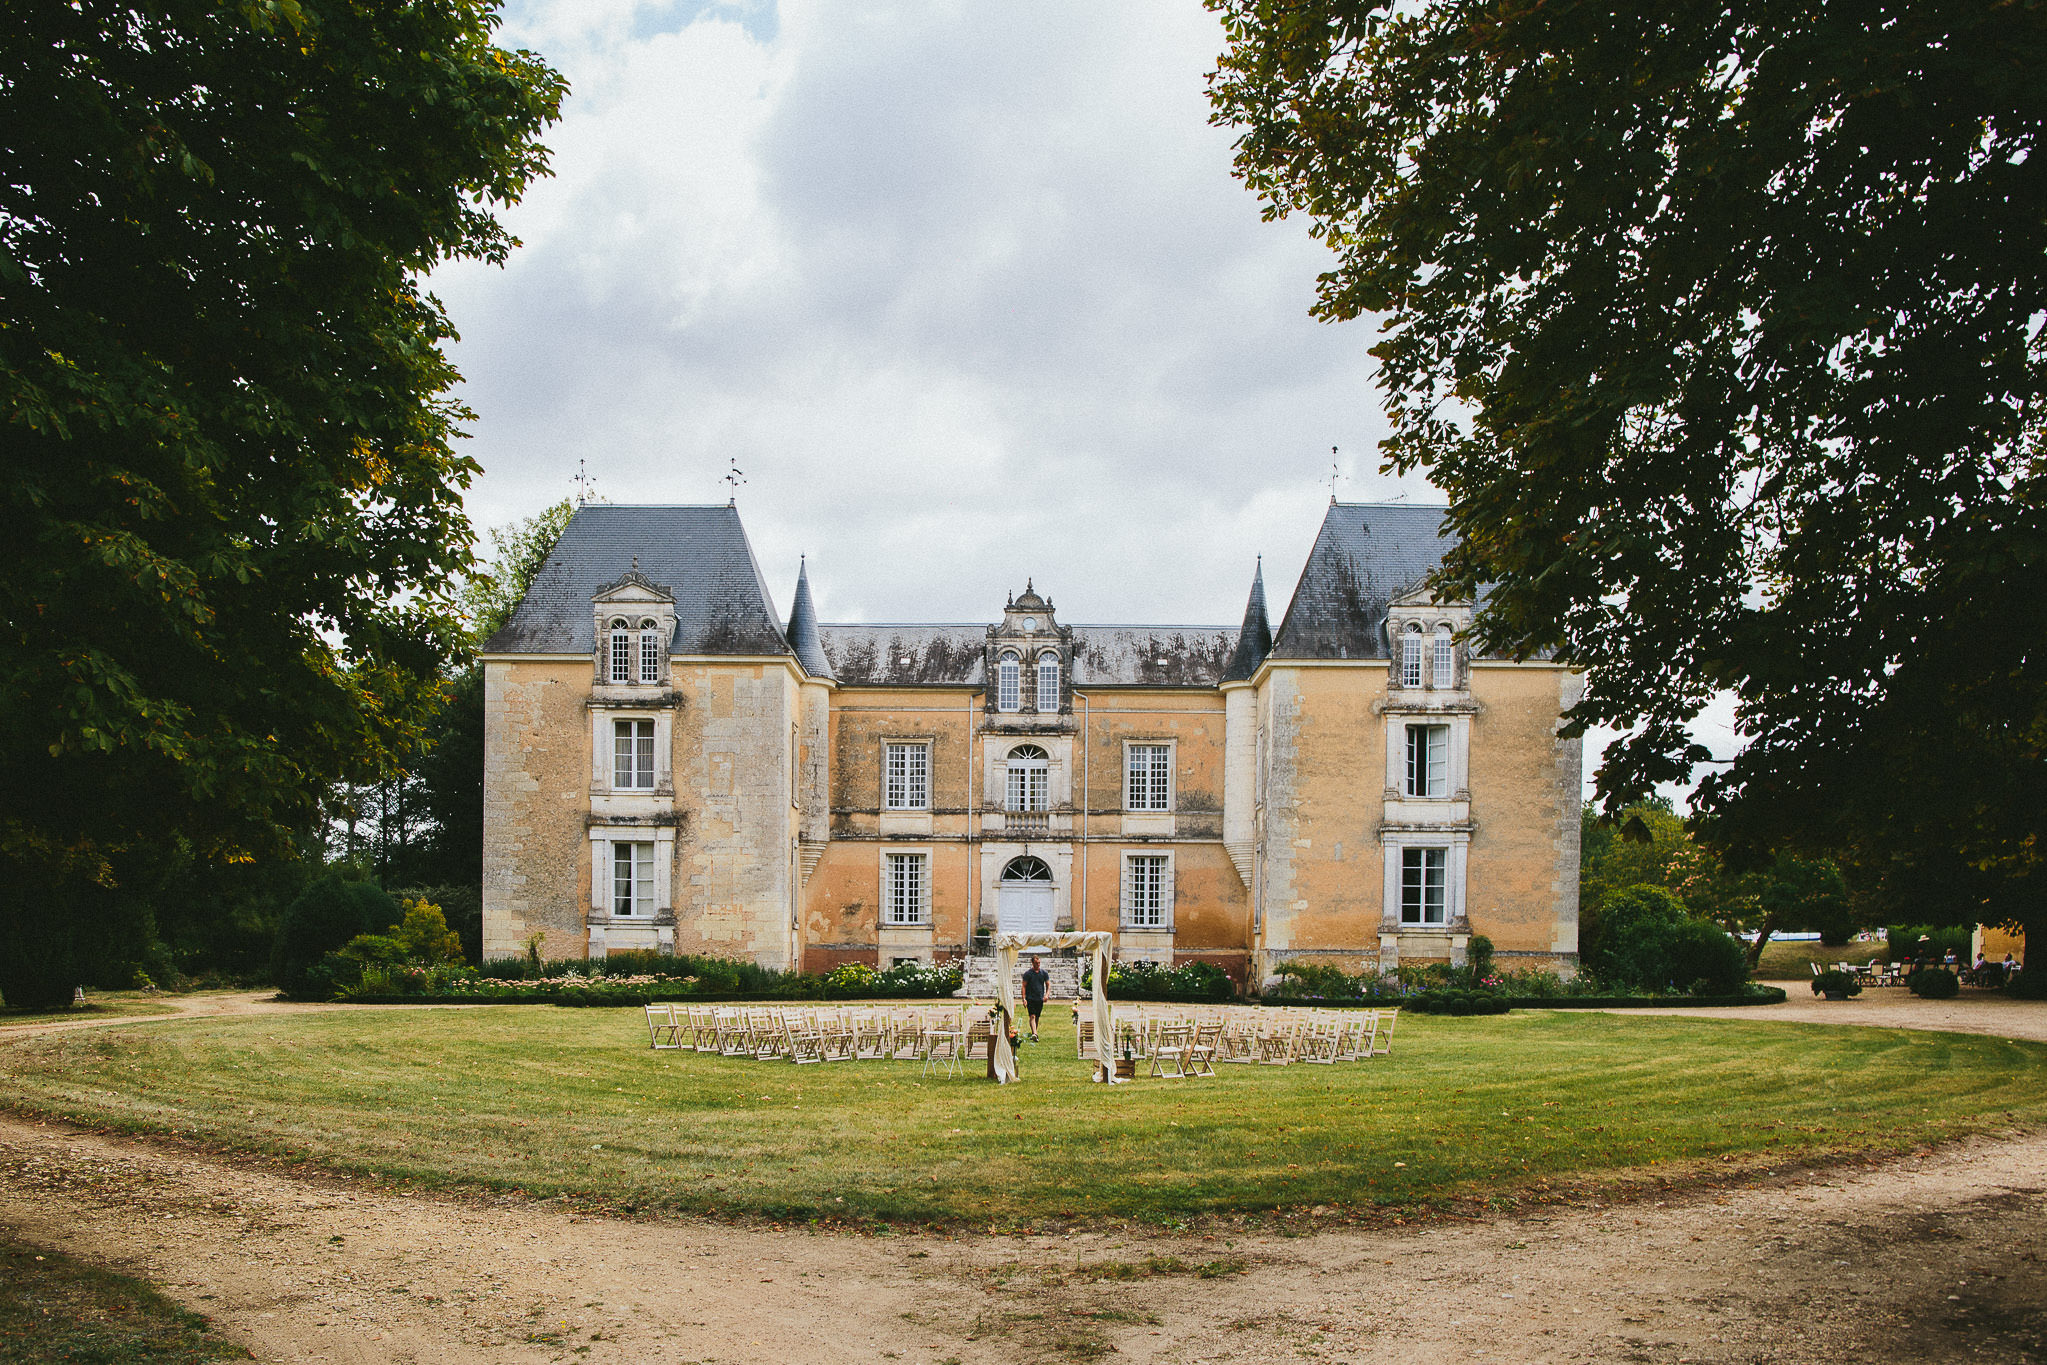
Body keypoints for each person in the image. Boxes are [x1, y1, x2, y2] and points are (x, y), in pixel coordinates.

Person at [1021, 954, 1050, 1043]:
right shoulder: (1028, 974)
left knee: (1037, 1017)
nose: (1038, 964)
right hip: (1030, 998)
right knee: (1032, 1016)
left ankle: (1034, 1034)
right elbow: (1024, 986)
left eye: (1039, 963)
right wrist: (1024, 998)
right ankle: (1035, 1034)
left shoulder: (1044, 973)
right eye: (1036, 963)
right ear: (1032, 963)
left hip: (1039, 998)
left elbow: (1048, 985)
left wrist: (1046, 995)